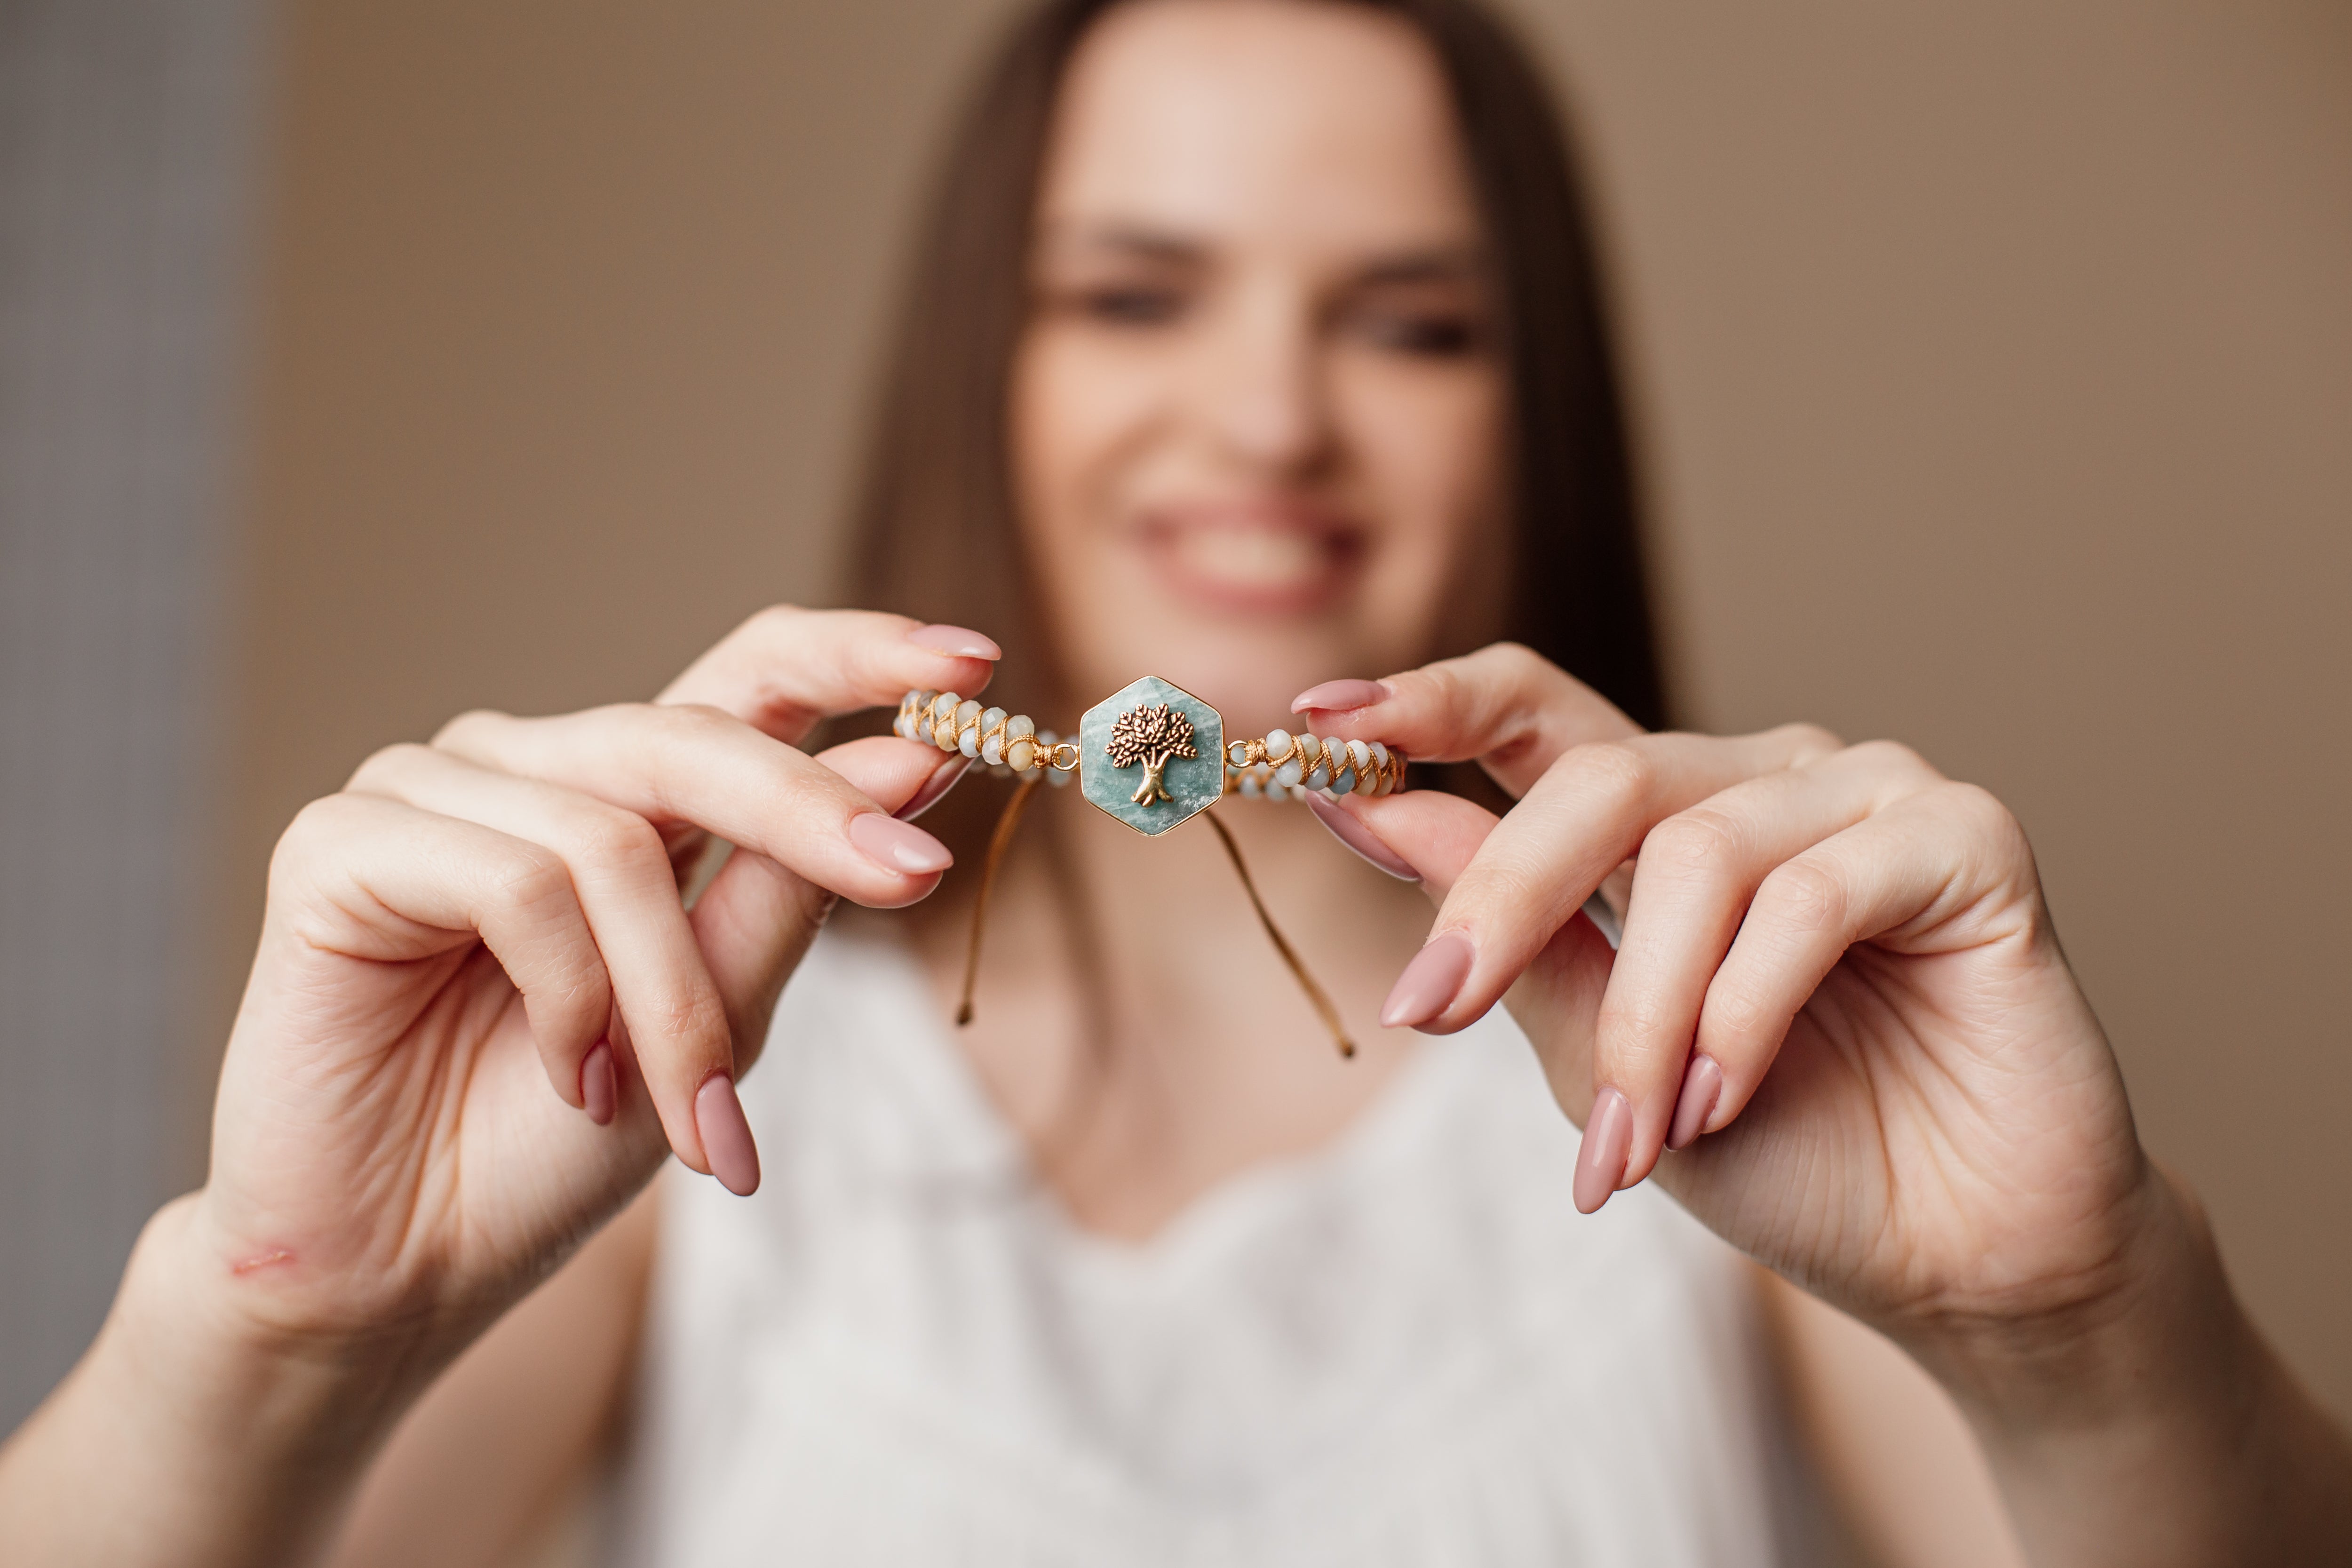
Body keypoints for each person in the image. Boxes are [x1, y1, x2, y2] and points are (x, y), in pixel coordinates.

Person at [4, 0, 2347, 1562]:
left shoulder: (1730, 1083)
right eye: (1138, 292)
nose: (1263, 419)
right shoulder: (685, 1091)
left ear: (1533, 402)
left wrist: (2082, 1326)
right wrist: (269, 1319)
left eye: (1409, 320)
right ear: (984, 366)